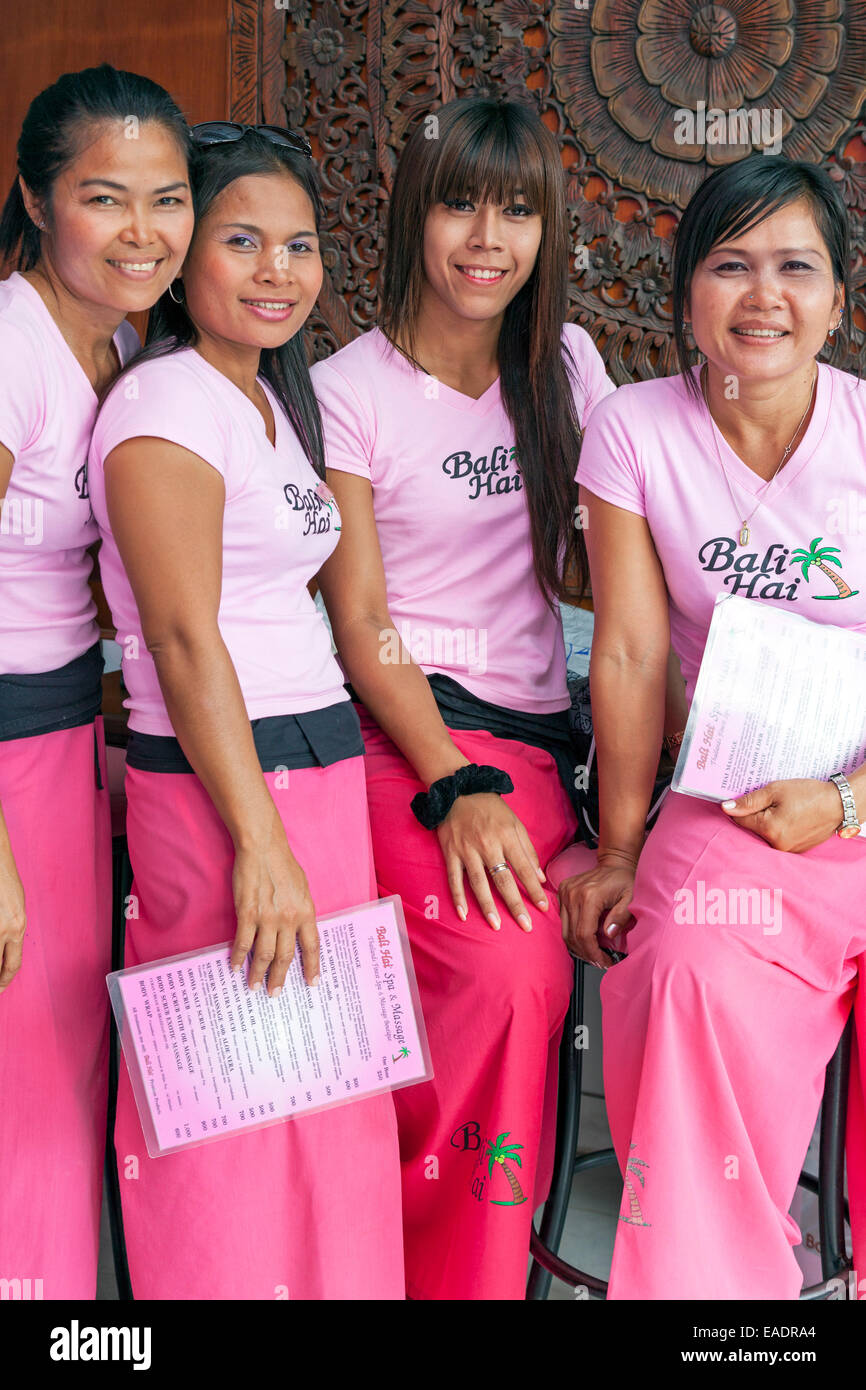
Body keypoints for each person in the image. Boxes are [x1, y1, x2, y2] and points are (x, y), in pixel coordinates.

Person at [87, 121, 404, 1300]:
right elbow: (178, 638)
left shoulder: (268, 396)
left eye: (299, 244)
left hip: (311, 771)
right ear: (182, 260)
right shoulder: (167, 404)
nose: (277, 269)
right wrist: (257, 845)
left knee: (320, 1082)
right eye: (240, 240)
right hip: (226, 789)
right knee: (224, 1102)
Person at [311, 95, 615, 1299]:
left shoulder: (568, 366)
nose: (485, 236)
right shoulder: (347, 389)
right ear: (411, 215)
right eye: (457, 201)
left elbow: (604, 580)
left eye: (517, 208)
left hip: (543, 747)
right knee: (503, 976)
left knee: (573, 964)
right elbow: (359, 618)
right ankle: (423, 1272)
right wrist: (453, 782)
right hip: (410, 741)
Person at [563, 153, 866, 1299]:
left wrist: (839, 802)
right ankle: (710, 1292)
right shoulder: (633, 431)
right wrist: (621, 849)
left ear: (834, 299)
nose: (761, 297)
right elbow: (632, 656)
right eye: (729, 265)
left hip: (850, 793)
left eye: (794, 267)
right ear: (683, 292)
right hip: (727, 798)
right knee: (682, 960)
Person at [0, 64, 193, 1299]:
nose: (143, 233)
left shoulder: (118, 340)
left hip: (65, 733)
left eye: (167, 198)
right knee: (26, 1067)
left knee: (57, 1060)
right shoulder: (11, 346)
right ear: (32, 197)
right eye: (104, 198)